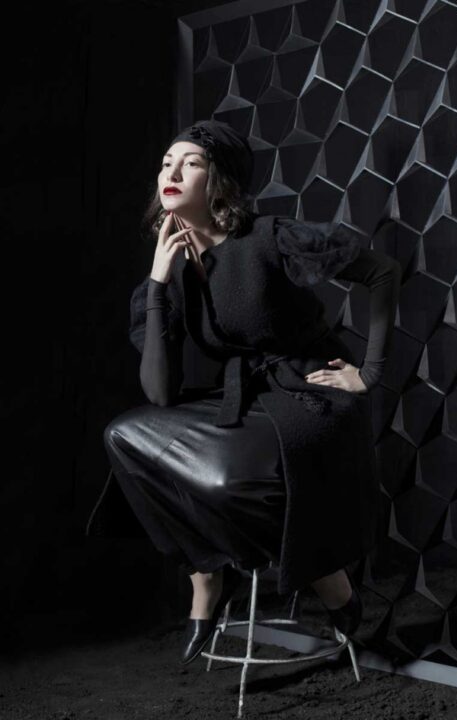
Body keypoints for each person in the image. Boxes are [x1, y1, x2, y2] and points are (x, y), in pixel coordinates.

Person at [94, 119, 402, 665]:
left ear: (219, 180)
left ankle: (329, 578)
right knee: (124, 435)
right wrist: (161, 282)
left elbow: (382, 271)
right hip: (247, 395)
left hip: (313, 392)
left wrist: (370, 373)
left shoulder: (268, 237)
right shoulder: (168, 274)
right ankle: (206, 574)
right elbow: (159, 393)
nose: (171, 173)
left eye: (191, 163)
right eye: (166, 163)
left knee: (224, 480)